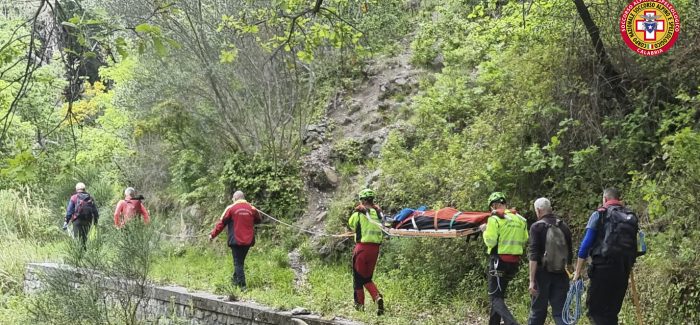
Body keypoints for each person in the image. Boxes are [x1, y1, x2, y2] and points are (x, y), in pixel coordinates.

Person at [573, 188, 638, 325]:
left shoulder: (600, 214)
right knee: (611, 313)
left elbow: (585, 245)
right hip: (623, 270)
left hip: (602, 269)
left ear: (605, 199)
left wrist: (577, 272)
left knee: (596, 312)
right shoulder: (630, 216)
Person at [480, 191, 528, 325]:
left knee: (494, 298)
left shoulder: (494, 219)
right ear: (505, 204)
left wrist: (484, 231)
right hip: (513, 264)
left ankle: (512, 323)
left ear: (493, 206)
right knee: (498, 297)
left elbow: (490, 241)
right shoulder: (519, 219)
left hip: (498, 262)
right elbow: (525, 239)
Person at [527, 197, 573, 325]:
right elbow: (569, 253)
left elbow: (534, 255)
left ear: (538, 210)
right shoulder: (563, 226)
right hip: (561, 273)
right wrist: (571, 272)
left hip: (542, 274)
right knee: (560, 313)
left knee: (537, 312)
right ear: (550, 208)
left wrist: (531, 280)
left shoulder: (537, 227)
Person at [209, 191, 261, 289]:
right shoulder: (252, 208)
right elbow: (258, 220)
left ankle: (242, 286)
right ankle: (234, 282)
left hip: (236, 241)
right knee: (240, 262)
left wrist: (212, 235)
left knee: (238, 263)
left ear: (235, 198)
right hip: (248, 241)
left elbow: (221, 224)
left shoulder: (231, 208)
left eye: (233, 199)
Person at [348, 189, 385, 316]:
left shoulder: (358, 214)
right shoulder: (378, 214)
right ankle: (377, 297)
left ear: (363, 200)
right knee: (367, 278)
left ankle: (360, 307)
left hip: (361, 249)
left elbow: (351, 225)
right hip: (375, 250)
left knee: (358, 279)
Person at [63, 182, 99, 247]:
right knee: (84, 238)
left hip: (77, 220)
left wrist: (66, 221)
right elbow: (95, 211)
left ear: (76, 190)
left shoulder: (74, 197)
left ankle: (79, 255)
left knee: (78, 239)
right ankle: (84, 254)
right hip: (88, 221)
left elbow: (69, 211)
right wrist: (95, 222)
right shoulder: (90, 197)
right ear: (84, 189)